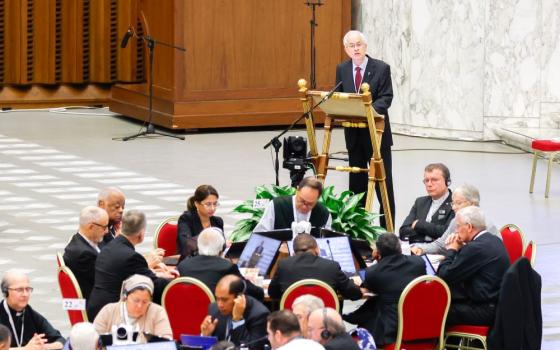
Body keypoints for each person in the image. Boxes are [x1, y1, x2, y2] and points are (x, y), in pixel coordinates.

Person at [335, 30, 394, 229]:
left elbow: (386, 97)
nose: (356, 48)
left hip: (376, 134)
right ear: (346, 49)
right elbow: (340, 95)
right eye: (351, 45)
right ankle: (357, 228)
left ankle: (387, 228)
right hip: (353, 135)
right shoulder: (342, 68)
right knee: (357, 184)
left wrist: (367, 113)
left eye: (359, 44)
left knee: (383, 183)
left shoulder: (381, 68)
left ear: (365, 46)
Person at [87, 210, 173, 320]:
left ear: (121, 226)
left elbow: (127, 274)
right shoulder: (131, 257)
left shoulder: (107, 248)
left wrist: (153, 272)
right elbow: (154, 286)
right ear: (141, 234)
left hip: (95, 308)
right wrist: (175, 280)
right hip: (114, 316)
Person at [343, 233, 425, 346]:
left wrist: (377, 261)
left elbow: (370, 288)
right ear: (400, 247)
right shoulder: (418, 263)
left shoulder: (373, 272)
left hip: (390, 329)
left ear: (378, 252)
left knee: (362, 328)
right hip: (418, 324)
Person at [438, 206, 510, 326]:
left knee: (437, 310)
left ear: (469, 227)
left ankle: (436, 344)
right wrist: (461, 248)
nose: (456, 230)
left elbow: (444, 276)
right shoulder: (493, 239)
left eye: (458, 226)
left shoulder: (475, 248)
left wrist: (451, 250)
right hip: (497, 305)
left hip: (484, 310)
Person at [411, 184, 498, 256]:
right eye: (453, 203)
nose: (453, 207)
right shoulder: (456, 221)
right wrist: (421, 249)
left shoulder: (487, 226)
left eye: (458, 203)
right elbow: (441, 244)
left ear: (472, 204)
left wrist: (454, 250)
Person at [177, 228, 264, 301]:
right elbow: (249, 289)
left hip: (188, 313)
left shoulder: (183, 266)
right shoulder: (226, 267)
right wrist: (261, 290)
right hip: (217, 315)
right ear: (222, 248)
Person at [268, 234, 361, 301]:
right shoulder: (331, 266)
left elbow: (273, 293)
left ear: (293, 253)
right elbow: (354, 293)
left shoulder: (284, 265)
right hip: (325, 321)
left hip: (294, 322)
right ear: (317, 249)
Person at [94, 275, 173, 343]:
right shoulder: (109, 310)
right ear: (125, 297)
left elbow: (166, 342)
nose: (139, 306)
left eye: (145, 302)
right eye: (136, 301)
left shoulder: (157, 312)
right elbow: (94, 340)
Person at [0, 270, 65, 349]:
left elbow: (61, 341)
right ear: (5, 292)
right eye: (19, 290)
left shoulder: (32, 315)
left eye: (27, 289)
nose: (25, 294)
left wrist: (44, 347)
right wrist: (25, 349)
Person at [200, 275, 269, 349]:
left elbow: (251, 348)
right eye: (217, 298)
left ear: (239, 297)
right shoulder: (213, 308)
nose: (220, 305)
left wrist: (238, 320)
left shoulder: (259, 315)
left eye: (224, 300)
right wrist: (206, 336)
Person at [399, 163, 454, 243]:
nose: (429, 184)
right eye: (426, 180)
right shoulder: (420, 202)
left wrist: (419, 225)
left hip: (439, 253)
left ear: (447, 182)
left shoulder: (456, 202)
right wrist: (431, 233)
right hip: (414, 249)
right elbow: (403, 231)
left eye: (434, 180)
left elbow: (446, 233)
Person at [254, 177, 331, 233]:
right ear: (297, 191)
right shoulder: (277, 205)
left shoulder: (324, 214)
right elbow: (260, 234)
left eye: (310, 204)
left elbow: (327, 242)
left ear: (317, 199)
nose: (304, 206)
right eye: (302, 201)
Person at [63, 206, 109, 301]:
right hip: (94, 304)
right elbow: (106, 281)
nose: (107, 231)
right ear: (91, 227)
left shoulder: (81, 239)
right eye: (104, 227)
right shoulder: (83, 255)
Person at [177, 185, 224, 259]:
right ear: (196, 204)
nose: (212, 208)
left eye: (215, 204)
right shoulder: (186, 219)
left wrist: (226, 245)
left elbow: (221, 248)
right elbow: (186, 245)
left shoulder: (217, 221)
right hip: (192, 262)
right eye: (208, 204)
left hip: (213, 262)